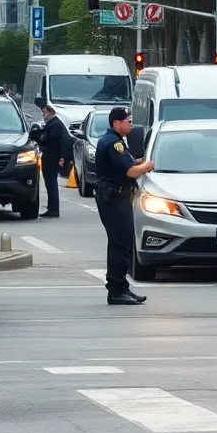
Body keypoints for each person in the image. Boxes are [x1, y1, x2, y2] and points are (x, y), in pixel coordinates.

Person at [94, 107, 154, 305]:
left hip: (115, 197)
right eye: (127, 120)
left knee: (120, 243)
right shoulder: (114, 144)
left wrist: (139, 162)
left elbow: (125, 164)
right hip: (114, 198)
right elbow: (129, 171)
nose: (130, 123)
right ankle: (118, 289)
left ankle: (120, 287)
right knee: (121, 244)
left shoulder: (114, 142)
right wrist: (147, 166)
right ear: (116, 123)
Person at [33, 101, 67, 218]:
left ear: (51, 113)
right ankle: (51, 207)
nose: (43, 115)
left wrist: (39, 139)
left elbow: (52, 141)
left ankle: (53, 209)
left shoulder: (55, 125)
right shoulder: (52, 124)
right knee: (49, 183)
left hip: (52, 157)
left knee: (51, 183)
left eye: (45, 113)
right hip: (50, 156)